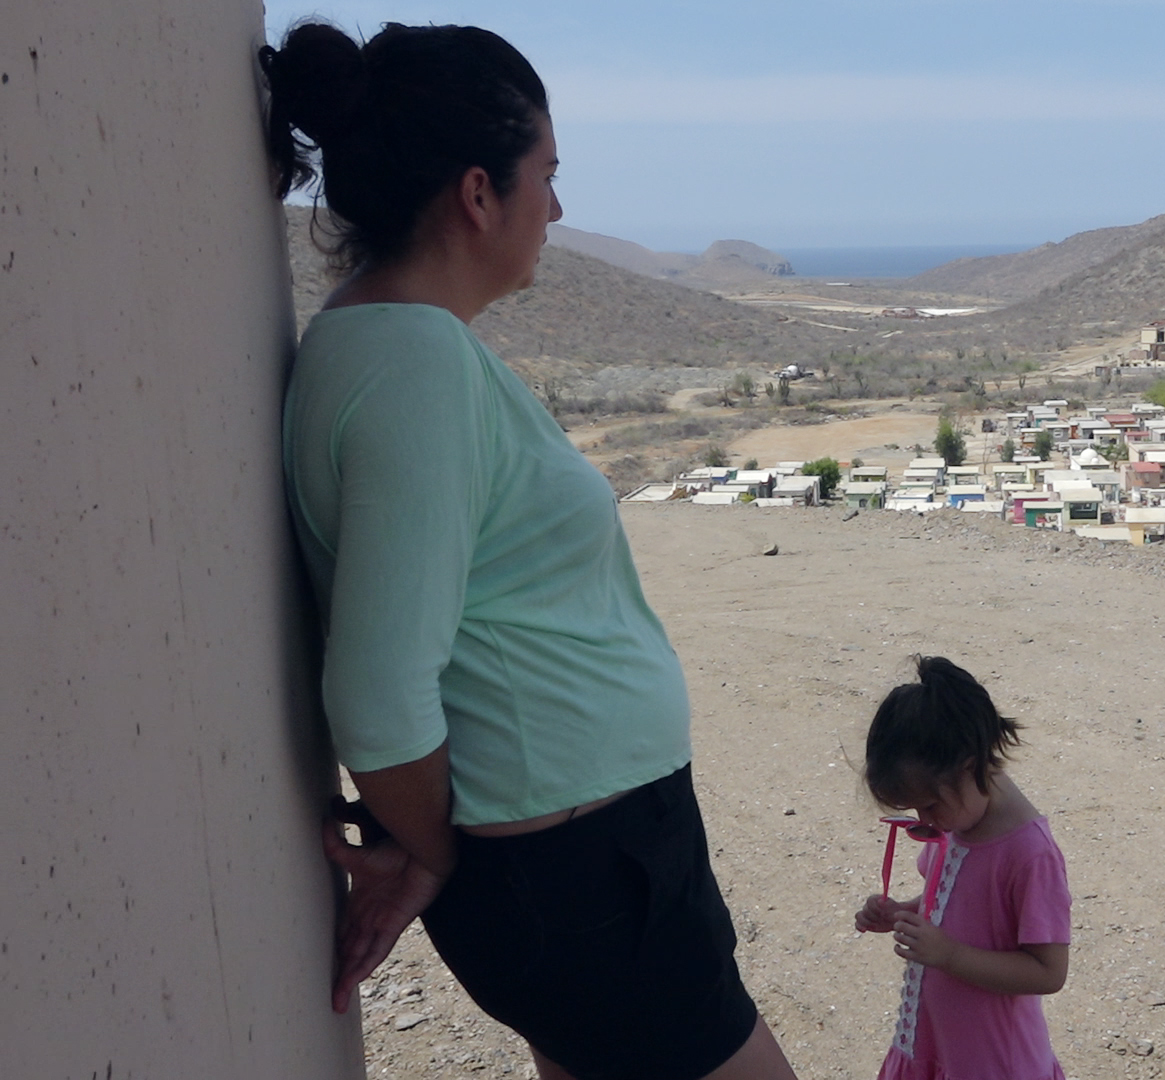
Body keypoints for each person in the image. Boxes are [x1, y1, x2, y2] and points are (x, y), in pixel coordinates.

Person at [261, 22, 797, 1080]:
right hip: (577, 877)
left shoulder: (387, 340)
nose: (555, 210)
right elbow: (375, 696)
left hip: (586, 864)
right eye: (544, 176)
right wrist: (438, 854)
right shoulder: (412, 362)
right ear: (475, 194)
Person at [853, 657, 1072, 1080]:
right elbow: (955, 899)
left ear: (968, 767)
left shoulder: (1029, 854)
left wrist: (949, 955)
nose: (924, 817)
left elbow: (1049, 971)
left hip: (993, 1061)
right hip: (938, 1045)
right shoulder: (960, 816)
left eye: (929, 804)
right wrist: (905, 911)